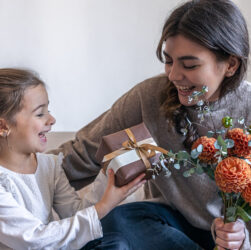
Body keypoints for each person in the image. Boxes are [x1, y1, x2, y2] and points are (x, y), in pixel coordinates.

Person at [50, 0, 251, 249]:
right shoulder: (149, 96)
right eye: (169, 61)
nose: (174, 75)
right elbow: (81, 153)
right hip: (167, 227)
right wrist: (16, 175)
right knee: (117, 219)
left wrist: (242, 237)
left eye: (190, 65)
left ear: (231, 64)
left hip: (233, 237)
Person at [0, 68, 146, 250]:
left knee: (116, 243)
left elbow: (74, 214)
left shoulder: (49, 165)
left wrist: (107, 178)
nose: (51, 119)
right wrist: (102, 207)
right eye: (40, 114)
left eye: (49, 110)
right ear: (3, 126)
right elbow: (33, 239)